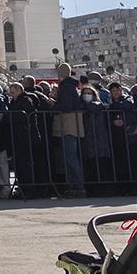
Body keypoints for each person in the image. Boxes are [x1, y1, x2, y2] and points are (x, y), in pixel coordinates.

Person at [51, 63, 87, 197]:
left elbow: (65, 106)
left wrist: (53, 106)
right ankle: (75, 186)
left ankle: (77, 186)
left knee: (70, 157)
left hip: (68, 124)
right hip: (72, 124)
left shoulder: (66, 87)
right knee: (71, 157)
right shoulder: (72, 86)